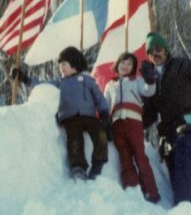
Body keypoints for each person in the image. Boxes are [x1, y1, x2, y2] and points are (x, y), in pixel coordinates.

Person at [142, 27, 191, 207]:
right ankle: (188, 207)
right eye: (150, 52)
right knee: (176, 175)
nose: (155, 54)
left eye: (158, 50)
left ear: (166, 50)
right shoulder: (151, 79)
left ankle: (187, 207)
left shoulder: (181, 66)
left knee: (183, 146)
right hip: (169, 135)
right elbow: (150, 115)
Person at [12, 46, 110, 180]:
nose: (61, 67)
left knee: (101, 135)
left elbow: (99, 97)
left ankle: (98, 164)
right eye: (59, 65)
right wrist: (25, 79)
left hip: (89, 117)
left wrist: (104, 113)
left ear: (74, 64)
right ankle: (78, 167)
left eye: (64, 64)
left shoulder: (88, 81)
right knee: (74, 138)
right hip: (70, 118)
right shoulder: (60, 82)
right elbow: (42, 84)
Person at [104, 52, 160, 203]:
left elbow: (149, 90)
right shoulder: (110, 85)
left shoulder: (137, 81)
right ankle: (132, 188)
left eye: (129, 64)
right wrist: (105, 121)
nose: (125, 66)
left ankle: (151, 192)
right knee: (124, 156)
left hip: (134, 122)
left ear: (133, 68)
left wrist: (150, 80)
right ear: (117, 63)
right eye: (123, 62)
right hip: (117, 124)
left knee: (139, 155)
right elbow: (106, 105)